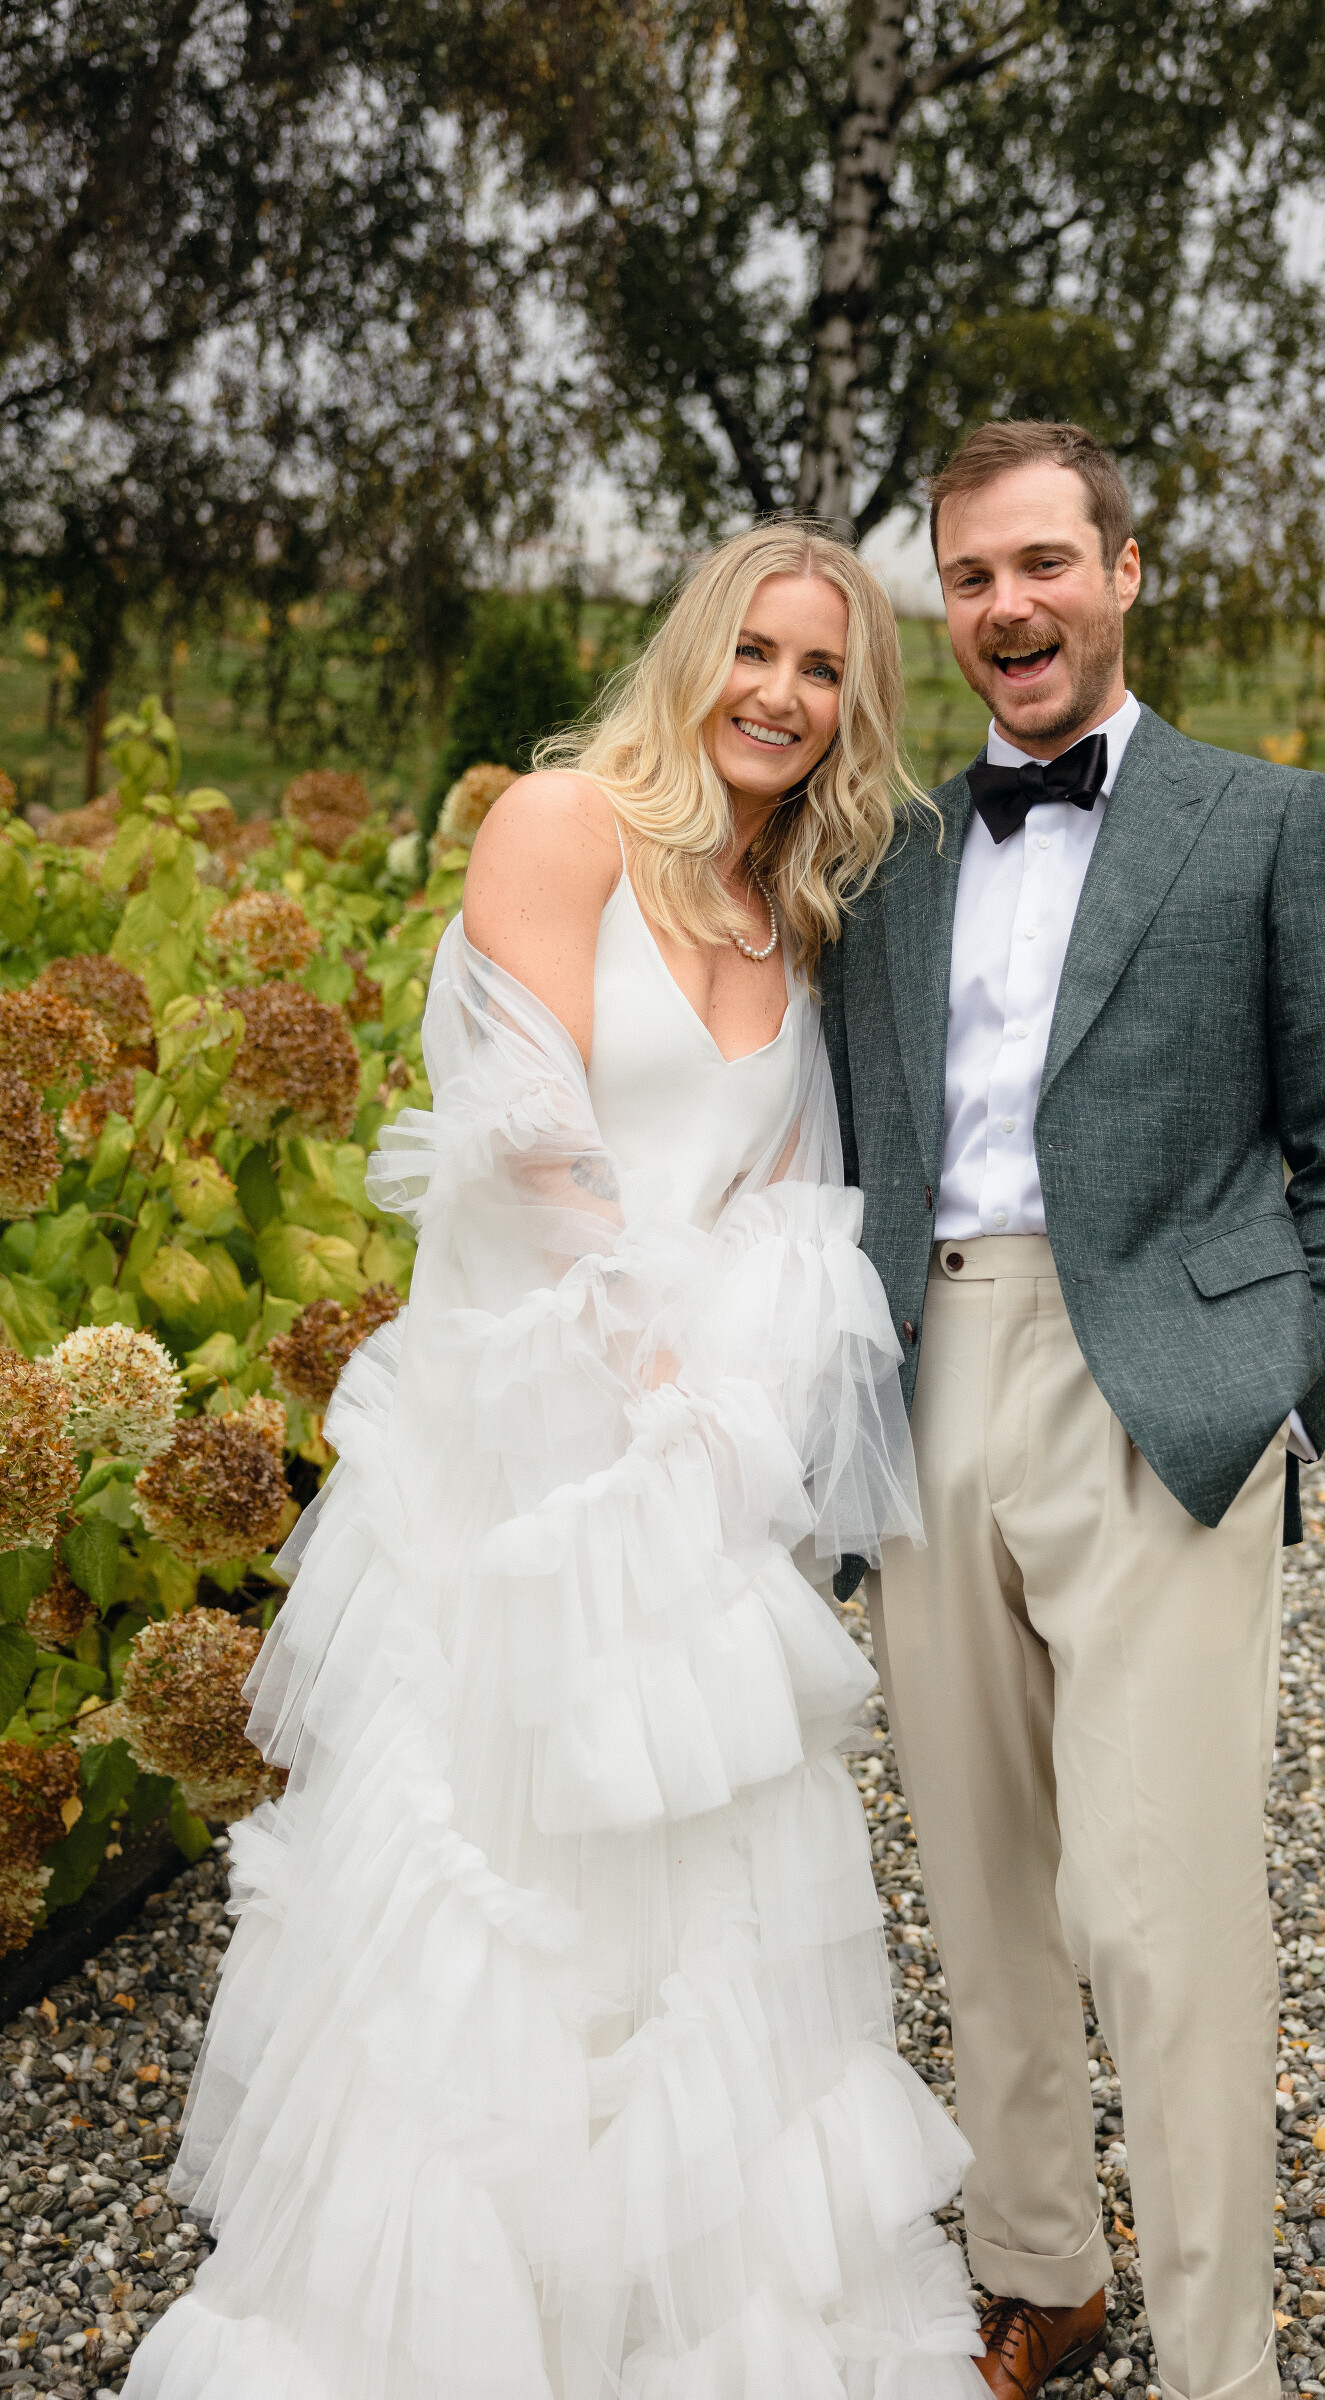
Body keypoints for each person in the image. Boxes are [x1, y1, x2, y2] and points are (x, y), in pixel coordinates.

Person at [126, 523, 989, 2400]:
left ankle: (677, 2328)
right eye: (754, 649)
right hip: (529, 1464)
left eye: (823, 670)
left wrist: (736, 1427)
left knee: (700, 1904)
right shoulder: (560, 824)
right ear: (693, 652)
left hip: (691, 1489)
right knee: (502, 1887)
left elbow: (786, 1199)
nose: (780, 694)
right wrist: (656, 1388)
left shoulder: (787, 909)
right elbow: (530, 1134)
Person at [820, 421, 1325, 2400]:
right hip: (927, 1381)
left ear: (1125, 571)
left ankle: (1223, 2364)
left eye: (1044, 563)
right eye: (971, 576)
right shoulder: (888, 856)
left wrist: (1282, 1391)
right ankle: (1043, 2272)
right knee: (981, 1894)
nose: (1009, 607)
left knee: (1160, 1917)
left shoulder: (1268, 822)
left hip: (1161, 1392)